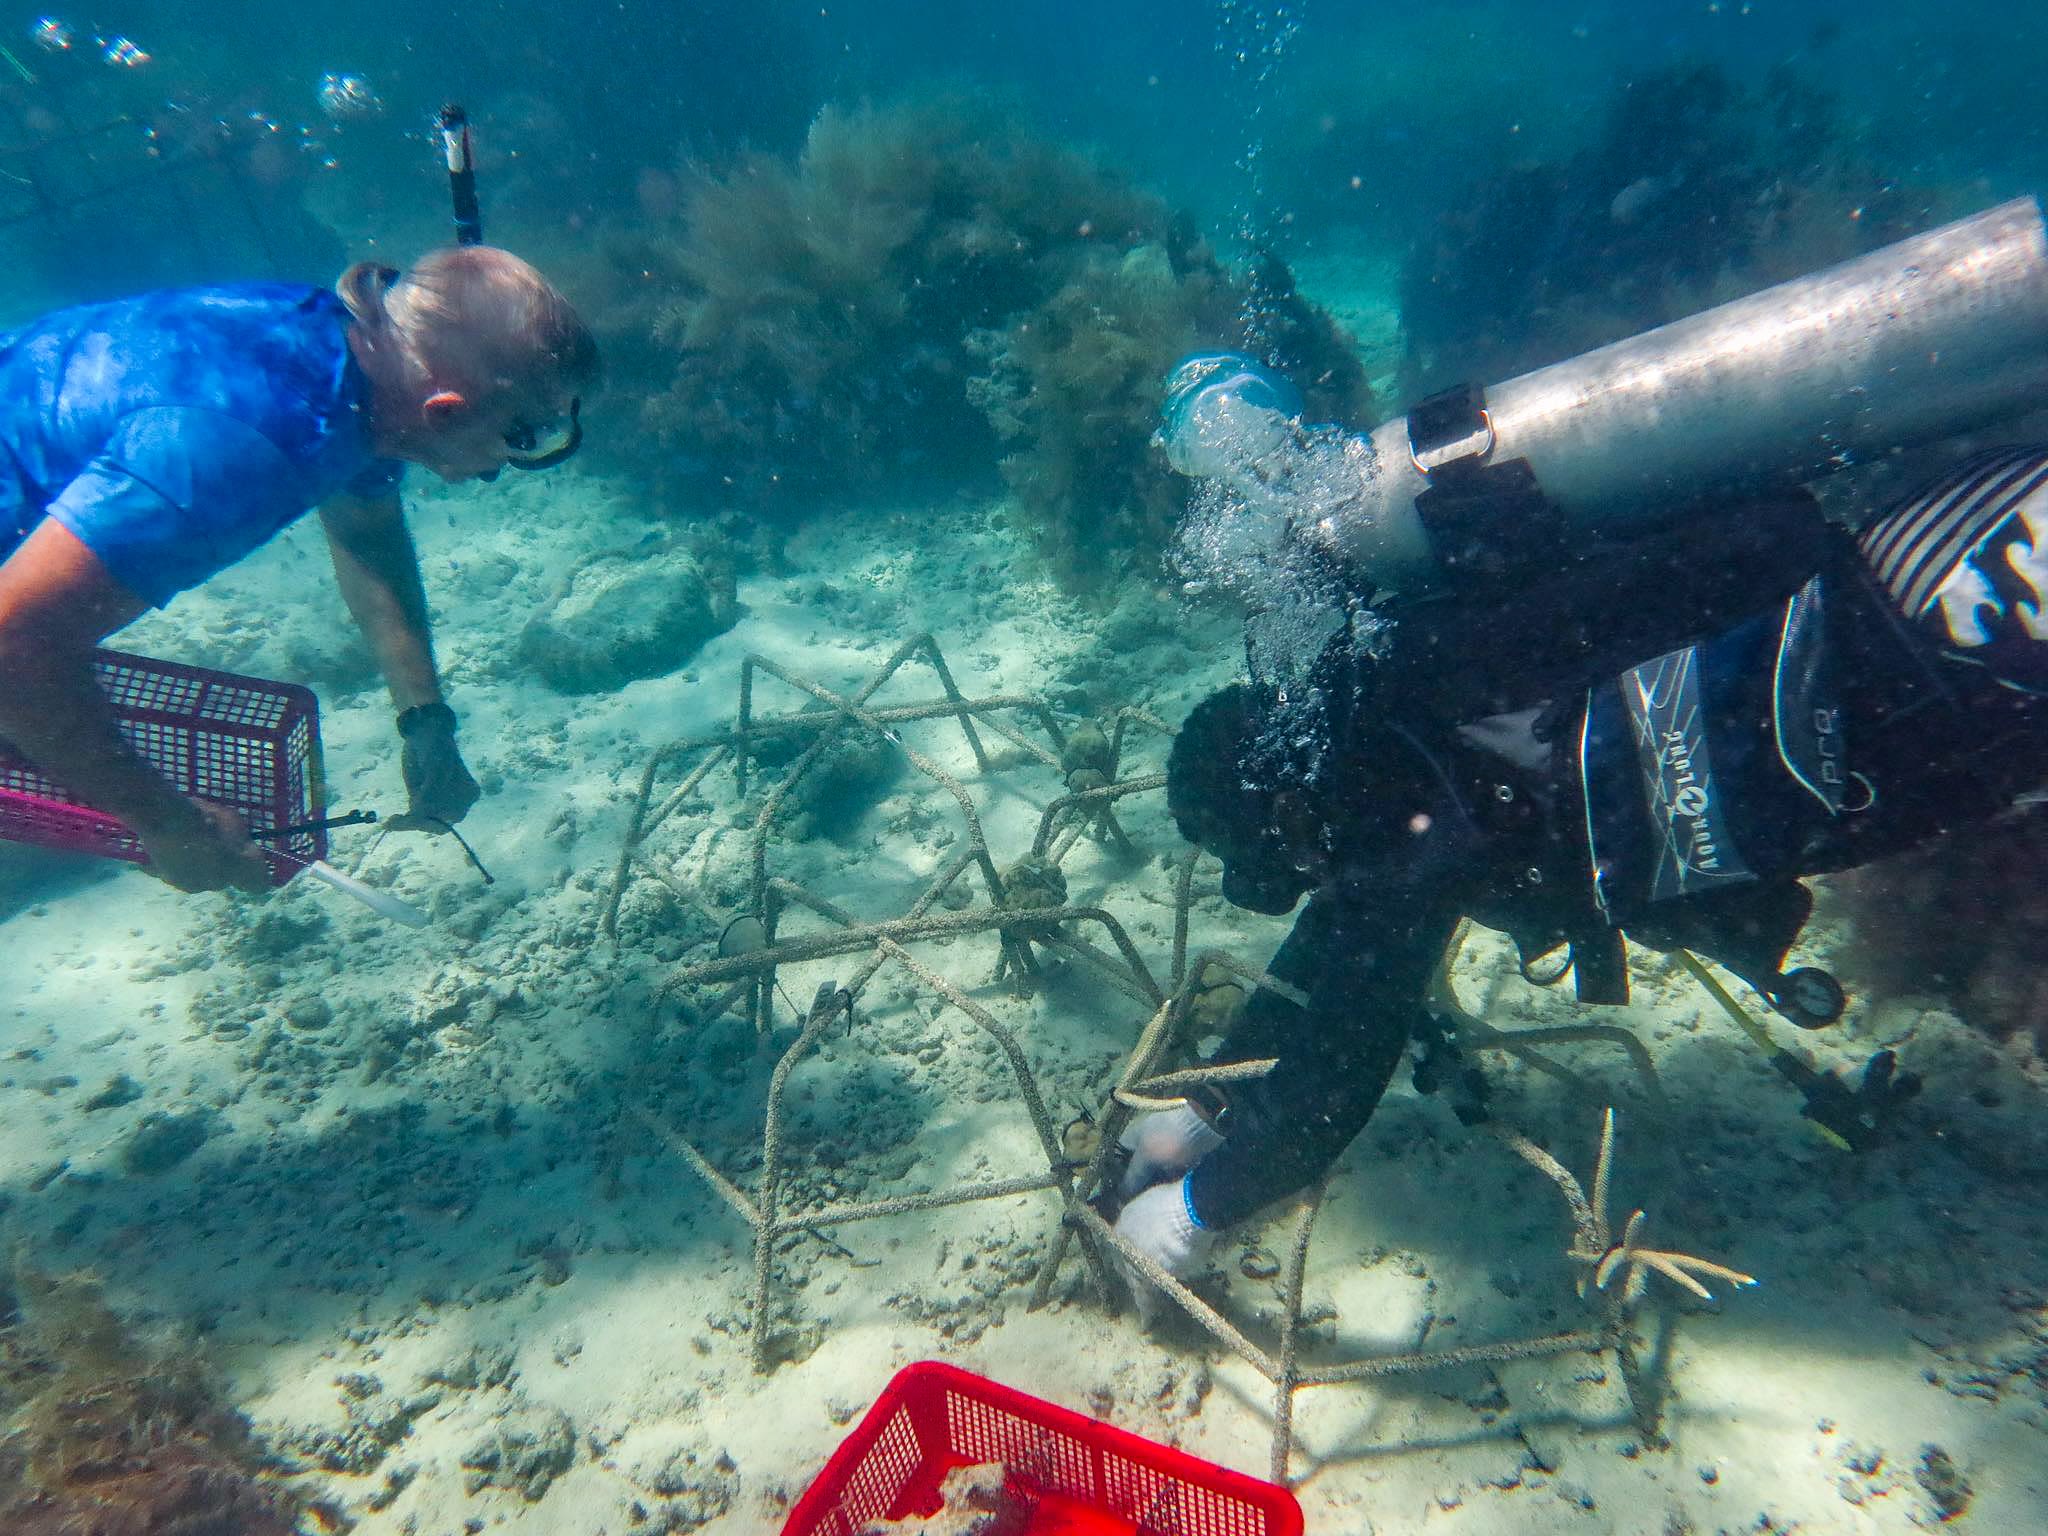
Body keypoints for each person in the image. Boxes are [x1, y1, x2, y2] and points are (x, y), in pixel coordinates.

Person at [1110, 353, 2048, 1298]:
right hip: (1913, 564)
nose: (1293, 883)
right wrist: (1215, 1101)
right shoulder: (1397, 727)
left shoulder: (1402, 816)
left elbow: (1331, 1083)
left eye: (1265, 858)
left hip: (1933, 657)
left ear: (1286, 807)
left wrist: (1190, 1215)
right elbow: (1342, 952)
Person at [0, 247, 598, 892]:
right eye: (527, 437)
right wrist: (167, 824)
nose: (507, 465)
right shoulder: (237, 451)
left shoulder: (353, 363)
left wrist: (424, 717)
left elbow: (365, 531)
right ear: (445, 409)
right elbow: (16, 645)